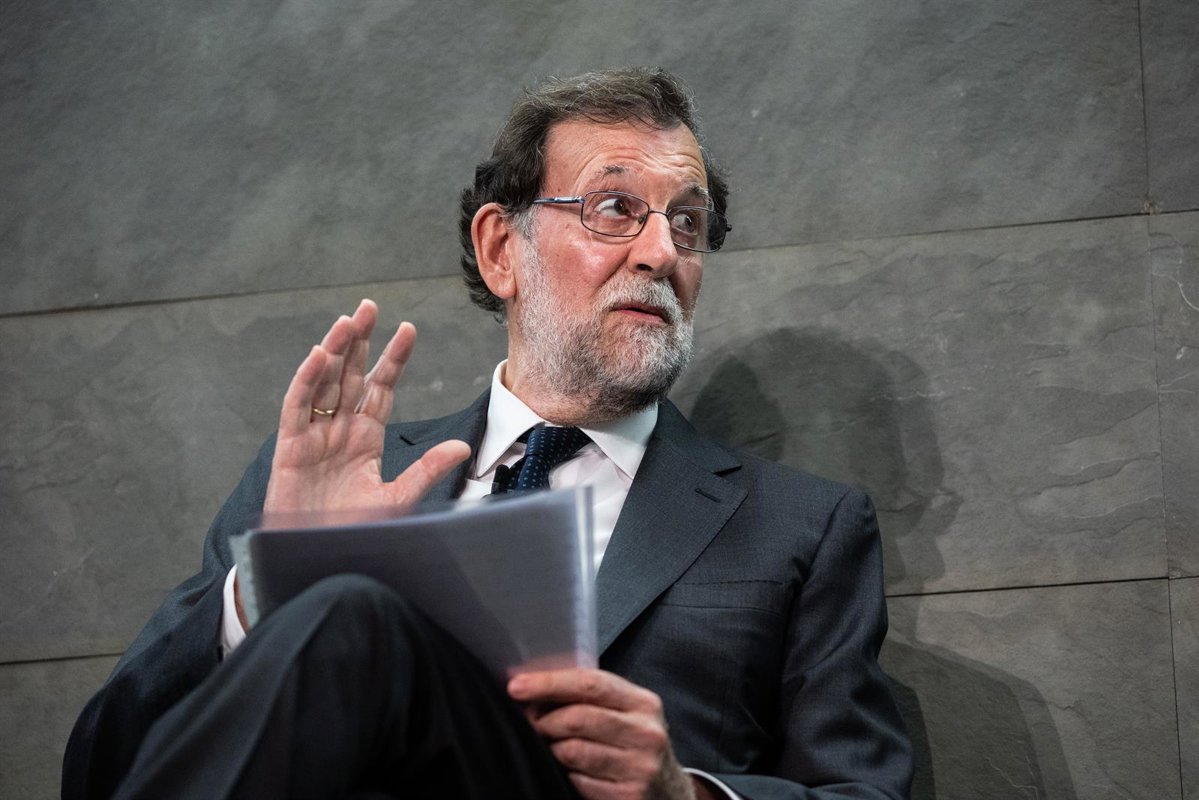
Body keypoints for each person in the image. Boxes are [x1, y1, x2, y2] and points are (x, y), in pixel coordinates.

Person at [62, 67, 913, 800]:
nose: (661, 252)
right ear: (503, 248)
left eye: (686, 223)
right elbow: (104, 769)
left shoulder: (801, 528)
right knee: (345, 607)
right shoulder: (327, 483)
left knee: (356, 609)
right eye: (616, 208)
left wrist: (683, 793)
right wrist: (265, 598)